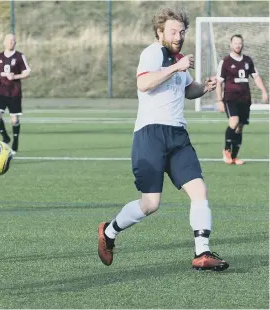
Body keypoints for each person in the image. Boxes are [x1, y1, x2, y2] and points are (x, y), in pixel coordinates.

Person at [97, 7, 229, 271]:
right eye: (173, 31)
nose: (179, 36)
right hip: (151, 134)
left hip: (178, 134)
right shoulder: (153, 53)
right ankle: (109, 232)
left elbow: (187, 90)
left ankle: (202, 253)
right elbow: (144, 83)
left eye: (182, 31)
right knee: (150, 203)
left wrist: (204, 86)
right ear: (160, 32)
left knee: (199, 191)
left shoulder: (177, 58)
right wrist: (176, 68)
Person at [216, 34, 268, 165]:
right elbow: (219, 82)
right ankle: (226, 150)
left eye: (240, 43)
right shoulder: (225, 61)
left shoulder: (248, 60)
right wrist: (219, 100)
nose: (238, 45)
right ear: (230, 44)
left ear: (242, 44)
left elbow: (255, 77)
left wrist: (264, 91)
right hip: (230, 98)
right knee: (234, 122)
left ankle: (234, 157)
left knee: (240, 127)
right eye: (235, 43)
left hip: (245, 99)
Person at [0, 33, 31, 153]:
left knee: (14, 120)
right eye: (9, 40)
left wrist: (16, 76)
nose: (11, 42)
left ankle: (15, 142)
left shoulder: (19, 56)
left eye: (13, 40)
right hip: (1, 91)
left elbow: (27, 72)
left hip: (14, 92)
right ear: (4, 42)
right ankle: (5, 137)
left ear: (15, 42)